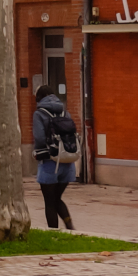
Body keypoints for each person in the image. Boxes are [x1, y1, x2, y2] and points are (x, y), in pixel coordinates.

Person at [32, 88, 79, 231]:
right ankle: (70, 227)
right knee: (56, 198)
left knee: (49, 202)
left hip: (49, 163)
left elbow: (39, 138)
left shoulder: (39, 114)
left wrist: (39, 150)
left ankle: (53, 232)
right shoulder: (65, 112)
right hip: (68, 162)